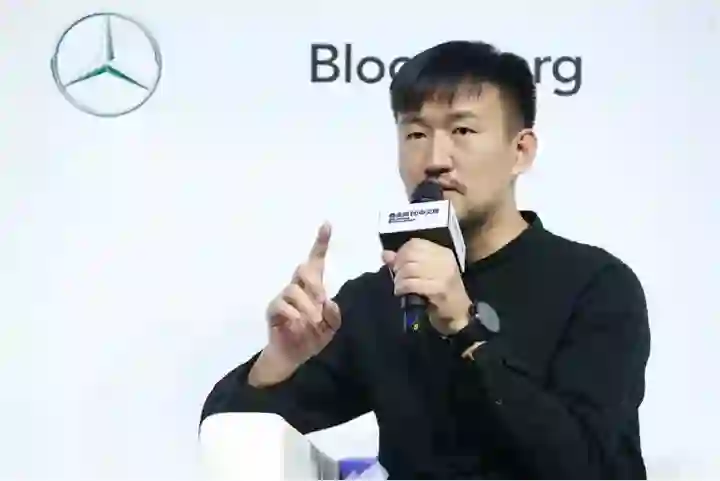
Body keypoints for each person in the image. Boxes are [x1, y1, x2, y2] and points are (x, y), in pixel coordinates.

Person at [200, 40, 651, 480]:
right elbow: (226, 431)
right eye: (416, 134)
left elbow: (593, 466)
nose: (435, 160)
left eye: (463, 131)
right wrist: (278, 363)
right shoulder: (381, 296)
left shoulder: (595, 285)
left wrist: (465, 328)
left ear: (521, 151)